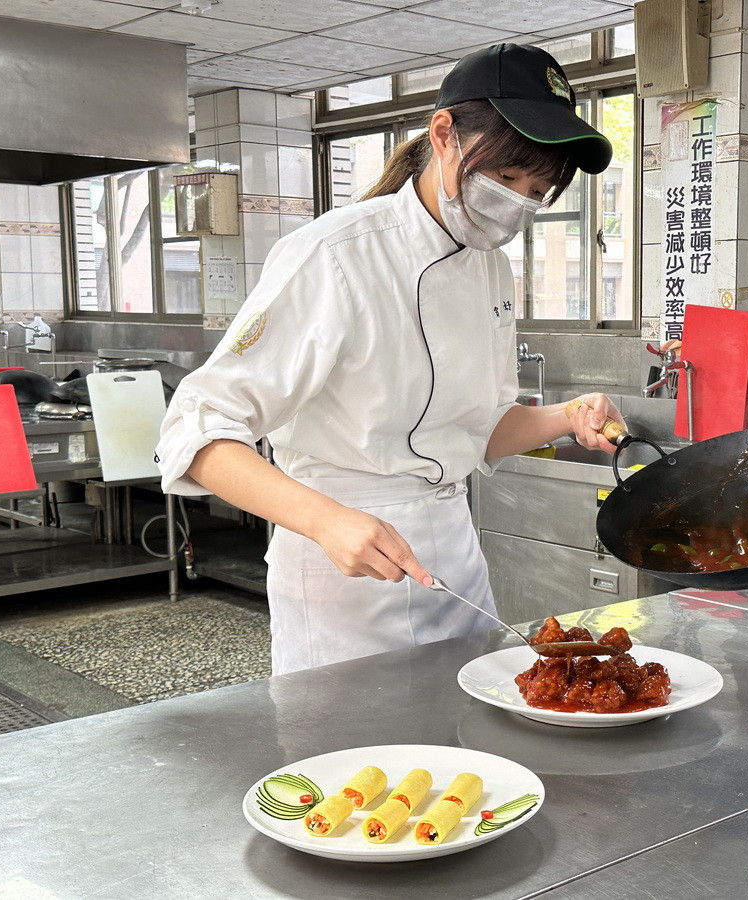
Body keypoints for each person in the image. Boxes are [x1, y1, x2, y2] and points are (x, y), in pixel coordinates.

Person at [156, 44, 627, 675]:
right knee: (359, 761)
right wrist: (325, 521)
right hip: (344, 572)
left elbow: (478, 426)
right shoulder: (334, 255)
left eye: (538, 190)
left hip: (453, 555)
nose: (519, 203)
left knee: (468, 752)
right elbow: (196, 428)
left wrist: (567, 416)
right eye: (509, 178)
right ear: (444, 135)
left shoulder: (491, 268)